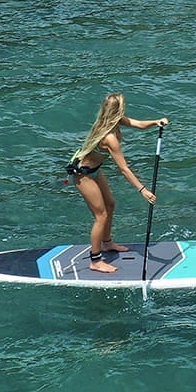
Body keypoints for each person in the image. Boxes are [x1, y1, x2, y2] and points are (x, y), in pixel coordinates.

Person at [66, 92, 169, 274]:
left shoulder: (115, 121)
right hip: (83, 175)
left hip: (95, 171)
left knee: (110, 205)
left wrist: (155, 122)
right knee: (101, 215)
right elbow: (124, 169)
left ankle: (107, 244)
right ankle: (95, 260)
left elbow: (138, 124)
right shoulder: (109, 138)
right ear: (118, 109)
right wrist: (142, 190)